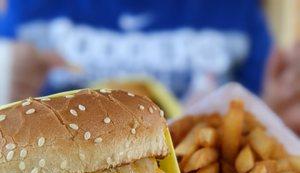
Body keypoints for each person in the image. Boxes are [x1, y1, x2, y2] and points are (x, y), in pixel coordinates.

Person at [0, 0, 299, 133]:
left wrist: (276, 123)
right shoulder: (30, 8)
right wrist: (6, 94)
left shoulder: (236, 10)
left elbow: (264, 114)